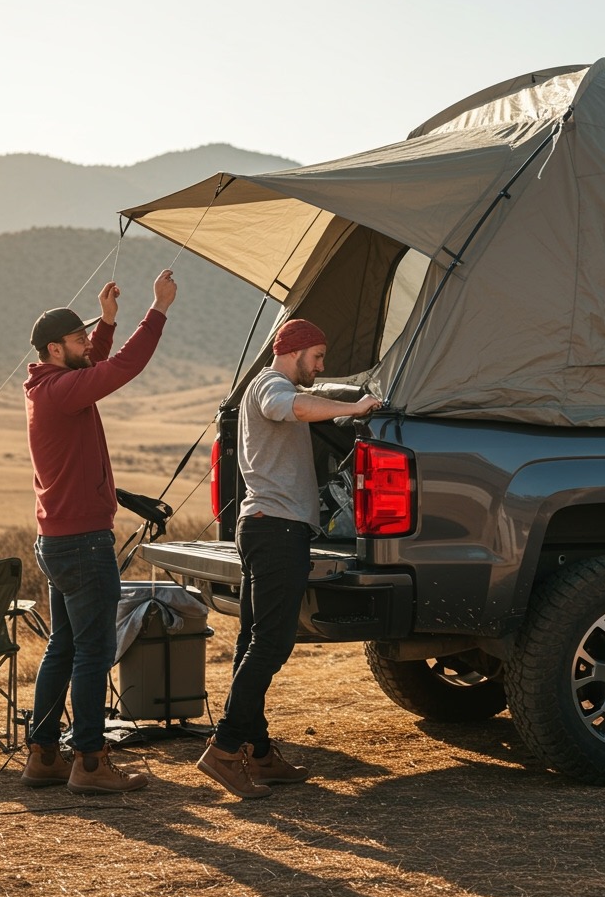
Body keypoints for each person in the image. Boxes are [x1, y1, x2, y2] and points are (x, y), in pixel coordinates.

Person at [196, 318, 381, 798]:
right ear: (294, 351)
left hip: (263, 527)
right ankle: (224, 750)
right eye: (316, 357)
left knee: (252, 641)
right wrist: (355, 406)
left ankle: (258, 755)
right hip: (276, 531)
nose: (320, 367)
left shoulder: (272, 386)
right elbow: (292, 407)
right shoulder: (271, 385)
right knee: (272, 644)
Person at [20, 270, 178, 794]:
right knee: (91, 651)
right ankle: (90, 761)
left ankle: (43, 756)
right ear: (52, 349)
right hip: (84, 544)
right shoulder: (62, 392)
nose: (87, 342)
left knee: (64, 647)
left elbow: (94, 365)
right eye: (78, 337)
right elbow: (119, 369)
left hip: (58, 542)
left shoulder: (51, 387)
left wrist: (107, 322)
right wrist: (156, 311)